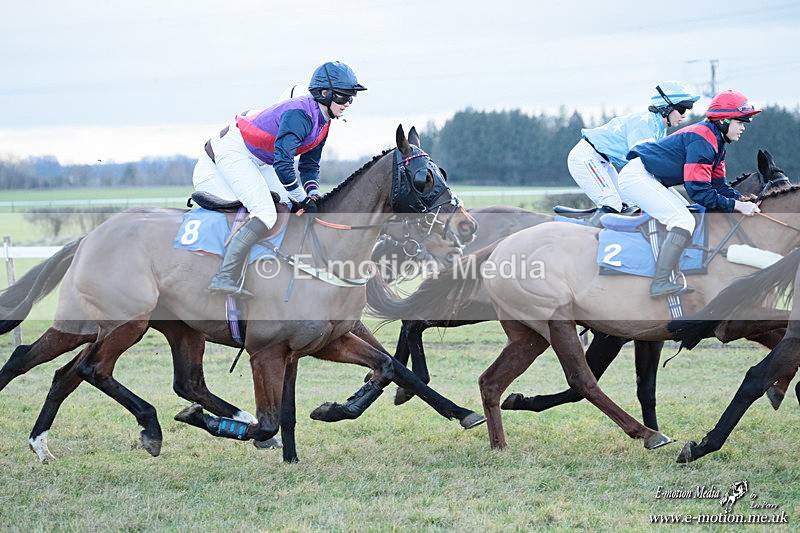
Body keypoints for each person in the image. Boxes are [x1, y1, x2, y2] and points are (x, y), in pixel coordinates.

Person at [192, 61, 367, 298]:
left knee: (288, 206)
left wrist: (312, 193)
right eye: (343, 96)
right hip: (235, 151)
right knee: (265, 212)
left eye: (351, 98)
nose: (348, 103)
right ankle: (225, 275)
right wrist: (302, 197)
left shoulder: (324, 122)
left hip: (261, 158)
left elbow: (309, 165)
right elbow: (284, 163)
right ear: (324, 93)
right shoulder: (299, 114)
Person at [617, 90, 762, 298]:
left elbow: (719, 187)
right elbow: (700, 193)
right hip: (637, 177)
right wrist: (738, 207)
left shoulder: (718, 144)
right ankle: (659, 282)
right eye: (740, 122)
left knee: (689, 215)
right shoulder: (703, 140)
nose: (742, 128)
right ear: (724, 120)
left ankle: (674, 269)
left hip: (651, 178)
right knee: (683, 220)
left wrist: (746, 201)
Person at [568, 81, 701, 226]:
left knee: (630, 204)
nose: (684, 116)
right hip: (587, 157)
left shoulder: (658, 127)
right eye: (682, 110)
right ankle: (586, 239)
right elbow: (646, 163)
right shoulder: (645, 123)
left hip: (602, 161)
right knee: (611, 202)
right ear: (665, 108)